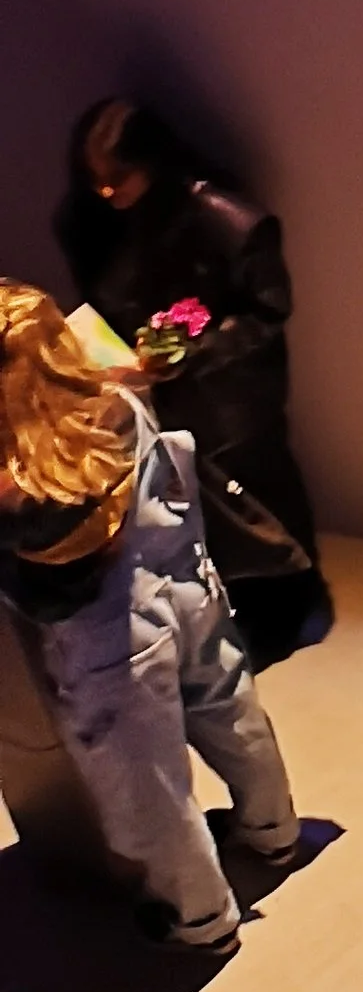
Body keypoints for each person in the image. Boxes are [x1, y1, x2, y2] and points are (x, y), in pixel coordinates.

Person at [0, 281, 299, 952]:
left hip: (112, 636)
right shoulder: (116, 399)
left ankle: (198, 915)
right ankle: (272, 831)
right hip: (187, 582)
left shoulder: (32, 477)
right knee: (230, 708)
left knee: (149, 780)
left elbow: (41, 576)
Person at [56, 98, 329, 665]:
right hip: (159, 394)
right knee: (196, 513)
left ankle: (291, 606)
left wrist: (185, 354)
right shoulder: (100, 221)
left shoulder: (229, 222)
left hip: (233, 400)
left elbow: (267, 311)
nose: (106, 191)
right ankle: (232, 613)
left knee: (260, 504)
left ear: (153, 161)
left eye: (118, 176)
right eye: (95, 180)